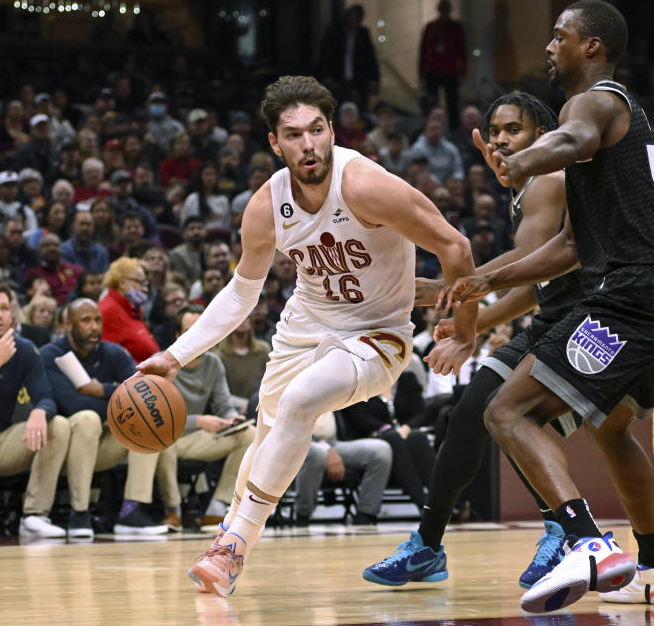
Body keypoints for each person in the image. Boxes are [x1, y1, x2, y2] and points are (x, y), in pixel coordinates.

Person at [136, 75, 477, 597]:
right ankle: (227, 538)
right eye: (293, 134)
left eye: (317, 130)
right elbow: (239, 295)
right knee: (268, 430)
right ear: (275, 143)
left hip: (376, 333)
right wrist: (175, 357)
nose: (308, 143)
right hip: (305, 324)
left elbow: (455, 247)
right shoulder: (264, 206)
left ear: (332, 131)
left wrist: (466, 334)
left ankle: (233, 548)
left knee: (299, 402)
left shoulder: (365, 184)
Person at [363, 92, 654, 607]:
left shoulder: (548, 180)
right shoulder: (543, 184)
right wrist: (468, 316)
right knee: (568, 425)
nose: (499, 141)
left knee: (504, 411)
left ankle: (564, 534)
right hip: (584, 312)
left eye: (512, 131)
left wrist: (463, 294)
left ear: (541, 137)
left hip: (591, 315)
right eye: (493, 132)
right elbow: (536, 283)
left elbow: (537, 265)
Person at [440, 1, 654, 613]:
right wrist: (485, 278)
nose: (549, 46)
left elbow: (573, 136)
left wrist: (521, 162)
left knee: (507, 412)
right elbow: (568, 248)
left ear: (592, 46)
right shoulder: (616, 126)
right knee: (612, 428)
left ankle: (587, 542)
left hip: (637, 292)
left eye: (559, 36)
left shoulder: (594, 101)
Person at [39, 298, 168, 537]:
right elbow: (72, 404)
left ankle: (131, 511)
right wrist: (119, 395)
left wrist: (102, 390)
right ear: (68, 325)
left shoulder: (114, 353)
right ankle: (80, 513)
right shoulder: (51, 354)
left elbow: (142, 393)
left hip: (102, 446)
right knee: (87, 417)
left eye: (97, 319)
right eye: (85, 320)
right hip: (65, 448)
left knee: (146, 421)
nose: (94, 326)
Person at [156, 305, 255, 531]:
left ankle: (218, 507)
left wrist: (231, 420)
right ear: (177, 336)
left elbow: (223, 405)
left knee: (249, 434)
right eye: (190, 331)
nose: (198, 337)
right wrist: (198, 421)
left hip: (196, 440)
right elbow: (154, 419)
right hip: (166, 438)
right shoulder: (160, 363)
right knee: (162, 444)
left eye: (203, 330)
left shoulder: (213, 363)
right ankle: (173, 511)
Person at [0, 282, 72, 538]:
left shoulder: (23, 349)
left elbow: (45, 395)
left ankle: (35, 515)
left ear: (13, 314)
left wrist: (40, 411)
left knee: (57, 425)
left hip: (2, 442)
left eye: (4, 308)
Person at [292, 410, 392, 525]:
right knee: (317, 454)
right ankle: (302, 515)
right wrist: (325, 448)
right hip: (300, 444)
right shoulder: (287, 393)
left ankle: (365, 515)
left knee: (381, 450)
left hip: (334, 443)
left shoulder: (328, 392)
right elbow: (291, 428)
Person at [98, 257, 160, 363]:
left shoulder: (132, 309)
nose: (145, 289)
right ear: (122, 283)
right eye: (141, 283)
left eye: (146, 284)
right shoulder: (107, 310)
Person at [419, 0, 467, 130]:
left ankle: (454, 129)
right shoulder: (430, 27)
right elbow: (423, 51)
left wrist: (462, 72)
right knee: (431, 102)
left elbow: (462, 51)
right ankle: (430, 126)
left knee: (452, 102)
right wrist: (422, 72)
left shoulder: (456, 28)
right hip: (433, 69)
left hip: (450, 69)